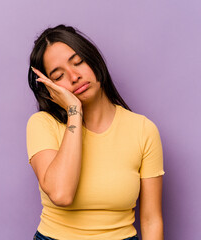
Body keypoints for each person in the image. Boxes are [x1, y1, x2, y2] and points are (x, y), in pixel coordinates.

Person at [26, 24, 165, 240]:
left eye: (78, 62)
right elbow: (61, 194)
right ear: (49, 87)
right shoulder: (43, 124)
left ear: (93, 59)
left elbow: (151, 219)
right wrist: (74, 112)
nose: (74, 77)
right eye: (58, 75)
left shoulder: (143, 130)